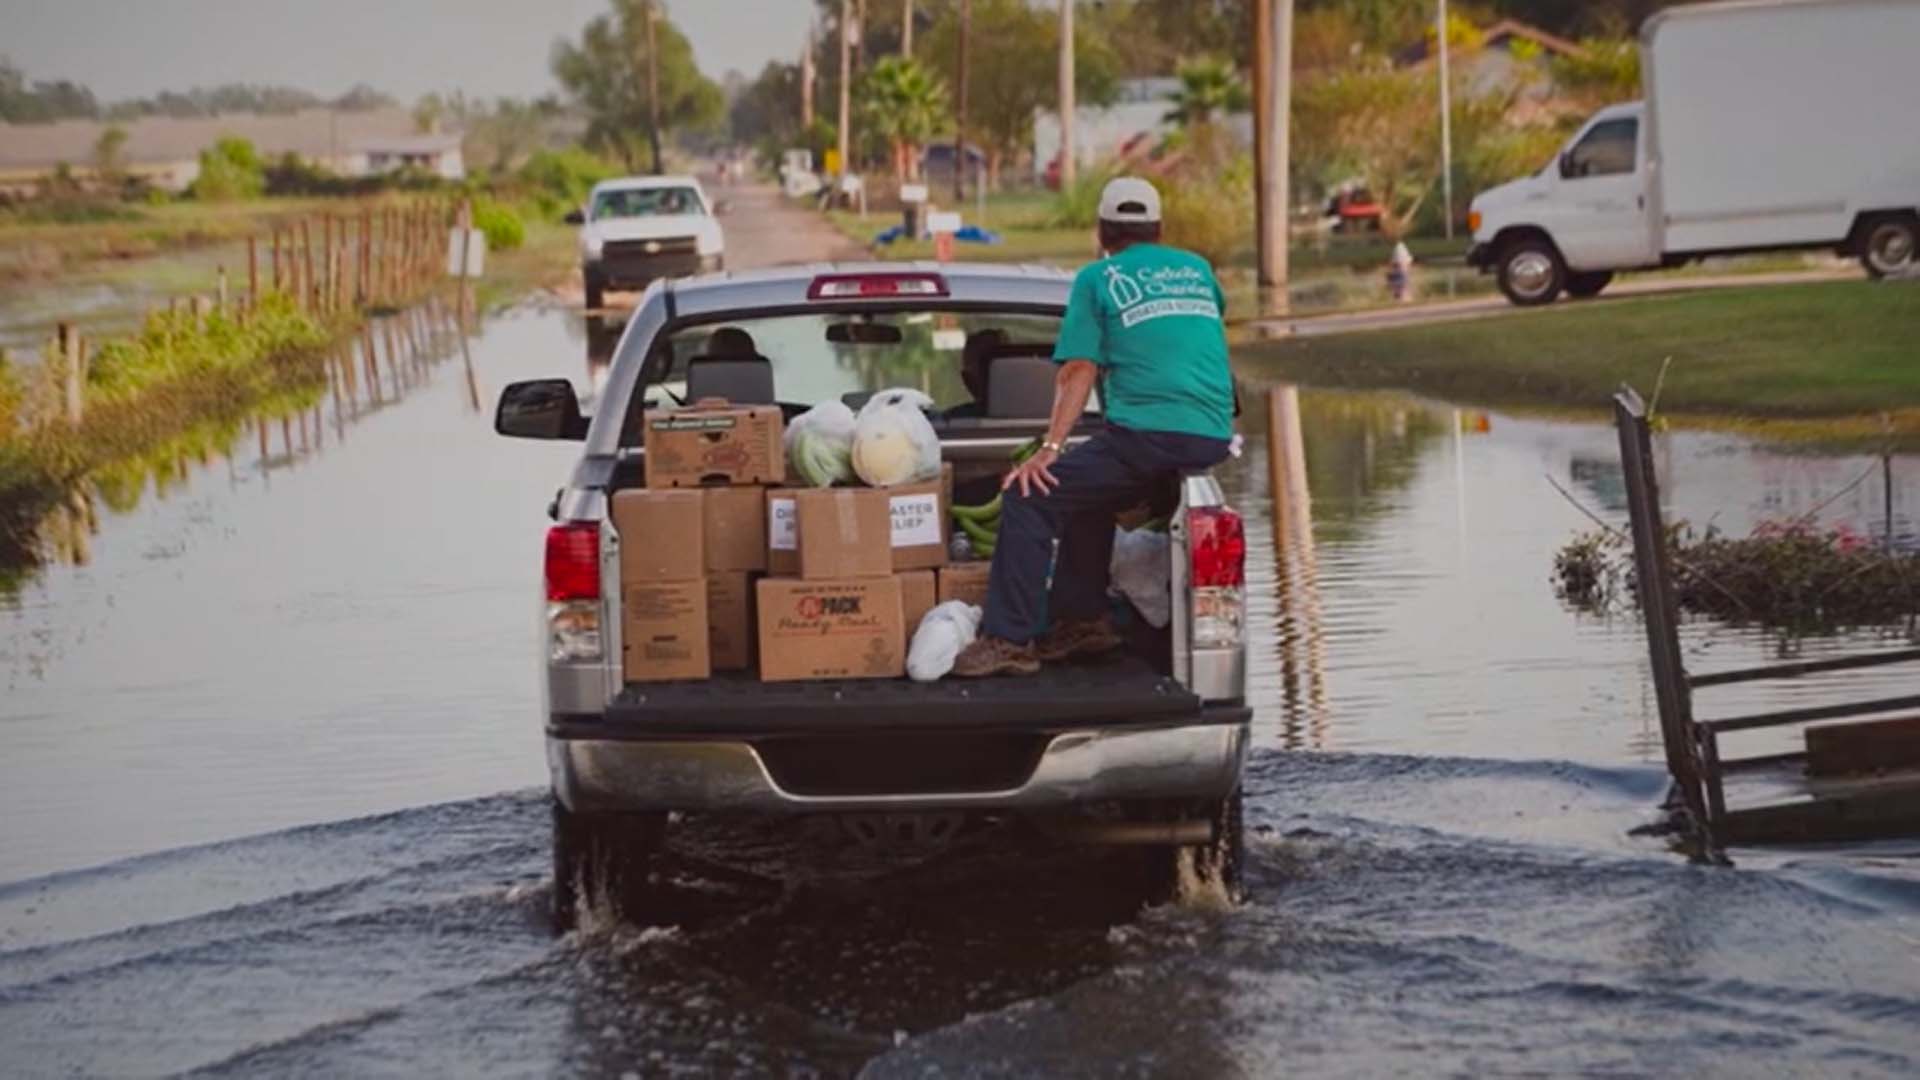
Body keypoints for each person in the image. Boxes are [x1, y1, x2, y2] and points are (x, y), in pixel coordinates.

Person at [952, 177, 1236, 677]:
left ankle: (1009, 640)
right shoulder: (1197, 271)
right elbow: (1197, 330)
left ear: (1102, 233)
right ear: (1158, 229)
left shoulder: (1097, 279)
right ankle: (1081, 622)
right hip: (1212, 435)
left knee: (1029, 495)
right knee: (1088, 494)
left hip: (1147, 436)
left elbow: (1079, 369)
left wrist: (1049, 448)